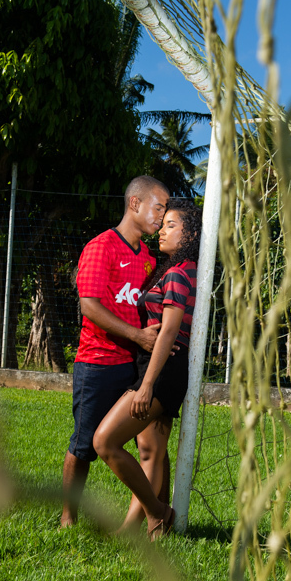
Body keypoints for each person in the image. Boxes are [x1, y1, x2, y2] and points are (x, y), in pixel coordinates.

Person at [60, 176, 170, 528]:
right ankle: (67, 518)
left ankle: (157, 516)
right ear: (135, 203)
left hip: (136, 366)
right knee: (84, 445)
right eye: (158, 207)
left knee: (151, 443)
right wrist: (138, 336)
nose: (162, 216)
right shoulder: (101, 247)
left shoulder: (150, 260)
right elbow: (89, 306)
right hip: (98, 363)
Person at [94, 198, 202, 540]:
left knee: (105, 441)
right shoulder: (179, 268)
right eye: (162, 224)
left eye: (171, 225)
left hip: (163, 368)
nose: (161, 232)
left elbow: (169, 332)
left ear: (190, 233)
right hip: (159, 365)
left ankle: (158, 512)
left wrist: (146, 386)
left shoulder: (179, 273)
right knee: (150, 450)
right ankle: (139, 529)